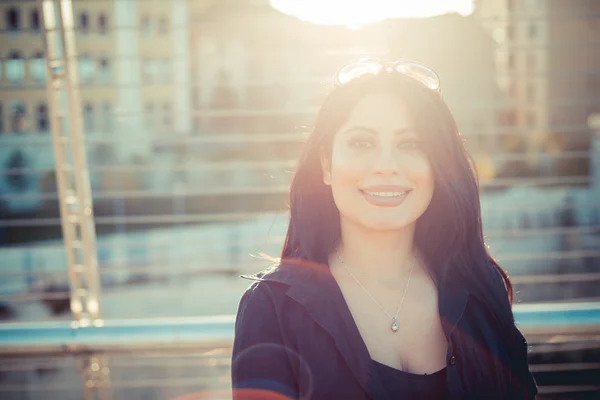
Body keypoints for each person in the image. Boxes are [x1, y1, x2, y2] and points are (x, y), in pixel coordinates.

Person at [230, 59, 538, 400]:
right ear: (327, 165)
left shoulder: (481, 288)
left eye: (411, 144)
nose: (386, 167)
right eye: (362, 143)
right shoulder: (272, 309)